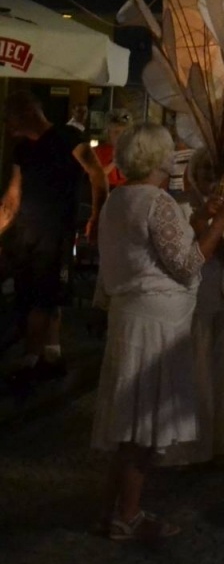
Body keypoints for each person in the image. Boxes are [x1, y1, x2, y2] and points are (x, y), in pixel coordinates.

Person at [91, 123, 224, 540]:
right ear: (159, 157)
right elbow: (188, 264)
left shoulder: (118, 199)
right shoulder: (157, 202)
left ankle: (112, 511)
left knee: (128, 422)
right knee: (143, 424)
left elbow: (155, 251)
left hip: (129, 317)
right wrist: (221, 223)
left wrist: (200, 220)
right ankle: (128, 516)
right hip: (155, 326)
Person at [0, 90, 107, 382]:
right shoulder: (22, 149)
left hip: (56, 232)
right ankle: (51, 354)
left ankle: (30, 359)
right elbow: (12, 197)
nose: (7, 126)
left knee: (42, 297)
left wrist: (97, 216)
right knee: (39, 295)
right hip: (26, 232)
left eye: (10, 119)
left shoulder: (68, 138)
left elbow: (97, 174)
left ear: (27, 113)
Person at [164, 148, 224, 466]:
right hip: (195, 297)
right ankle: (192, 442)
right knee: (196, 367)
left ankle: (221, 439)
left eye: (214, 170)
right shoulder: (180, 208)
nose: (207, 176)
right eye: (202, 168)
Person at [91, 110, 132, 189]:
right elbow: (95, 178)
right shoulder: (96, 152)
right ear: (108, 133)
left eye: (124, 132)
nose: (120, 136)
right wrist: (114, 162)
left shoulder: (132, 152)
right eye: (116, 132)